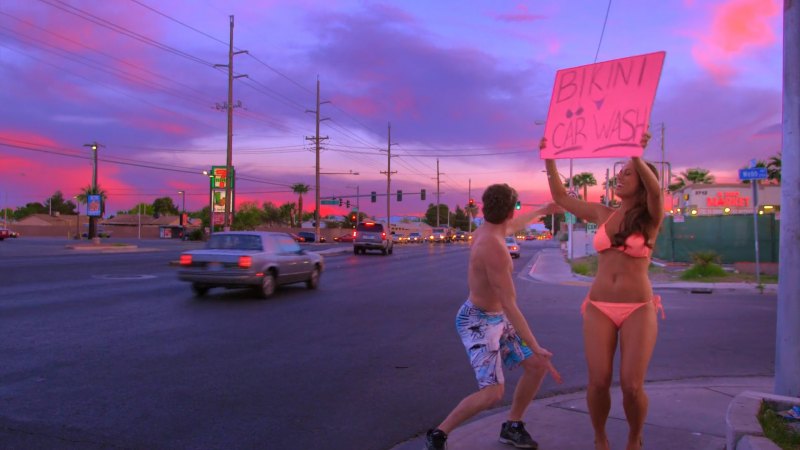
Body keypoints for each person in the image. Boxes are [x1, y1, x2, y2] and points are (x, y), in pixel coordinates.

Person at [541, 134, 664, 450]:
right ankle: (600, 439)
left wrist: (636, 154)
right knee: (597, 382)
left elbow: (655, 190)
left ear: (641, 179)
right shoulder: (602, 213)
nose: (619, 177)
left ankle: (634, 439)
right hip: (598, 305)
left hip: (638, 306)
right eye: (619, 172)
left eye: (627, 173)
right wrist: (550, 159)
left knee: (632, 386)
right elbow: (561, 197)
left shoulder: (651, 216)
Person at [425, 184, 562, 450]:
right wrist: (535, 345)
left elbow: (510, 227)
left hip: (495, 315)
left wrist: (544, 209)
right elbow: (510, 305)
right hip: (478, 321)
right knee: (493, 393)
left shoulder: (489, 231)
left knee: (536, 366)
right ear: (511, 210)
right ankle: (438, 434)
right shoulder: (494, 248)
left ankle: (512, 426)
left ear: (485, 209)